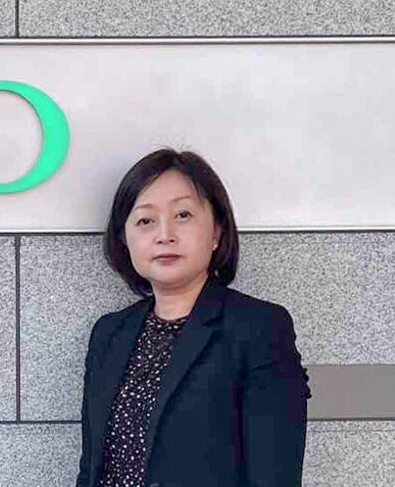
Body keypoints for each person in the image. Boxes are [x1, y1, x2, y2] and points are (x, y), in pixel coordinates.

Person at [75, 148, 312, 487]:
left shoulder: (258, 328)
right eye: (145, 221)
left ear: (216, 232)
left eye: (183, 215)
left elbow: (274, 476)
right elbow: (91, 469)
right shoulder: (108, 333)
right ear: (124, 239)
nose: (164, 234)